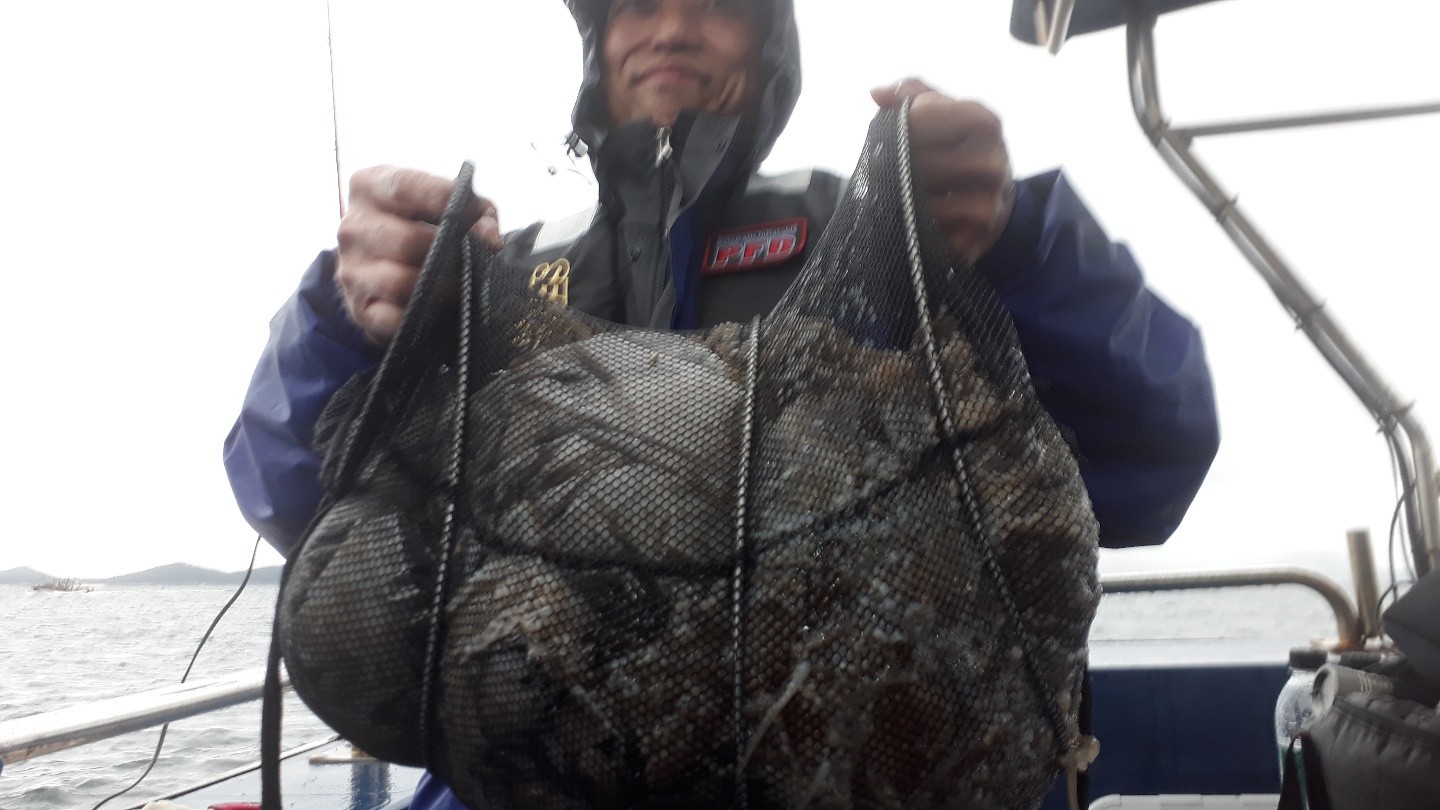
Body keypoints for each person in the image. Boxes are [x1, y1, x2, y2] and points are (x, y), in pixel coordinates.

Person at [224, 0, 1220, 806]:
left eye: (718, 3)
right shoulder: (504, 278)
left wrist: (1018, 243)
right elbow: (297, 496)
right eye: (634, 4)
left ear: (770, 41)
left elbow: (1151, 454)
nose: (672, 26)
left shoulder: (891, 244)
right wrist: (345, 321)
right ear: (596, 42)